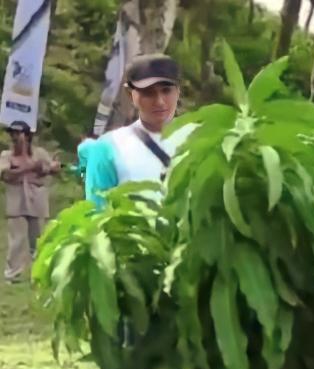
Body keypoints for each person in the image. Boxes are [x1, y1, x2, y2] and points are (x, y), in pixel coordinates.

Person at [83, 54, 192, 206]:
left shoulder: (200, 138)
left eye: (166, 91)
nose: (159, 102)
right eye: (148, 93)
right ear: (130, 93)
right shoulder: (108, 148)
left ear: (178, 90)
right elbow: (96, 215)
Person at [0, 124, 59, 285]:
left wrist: (48, 167)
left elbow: (52, 168)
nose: (14, 137)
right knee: (16, 239)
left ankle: (39, 274)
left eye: (17, 133)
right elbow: (5, 174)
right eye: (12, 133)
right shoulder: (7, 155)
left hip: (36, 197)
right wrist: (29, 168)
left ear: (27, 136)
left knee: (39, 239)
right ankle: (12, 274)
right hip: (16, 198)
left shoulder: (39, 153)